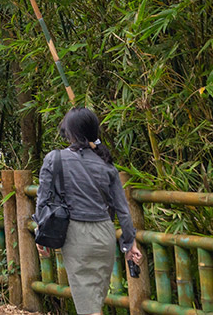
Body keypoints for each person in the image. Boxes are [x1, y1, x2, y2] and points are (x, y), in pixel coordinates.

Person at [35, 108, 143, 315]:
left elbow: (43, 200)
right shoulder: (106, 165)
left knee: (88, 308)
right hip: (105, 235)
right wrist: (130, 243)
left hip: (77, 237)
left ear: (69, 133)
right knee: (94, 303)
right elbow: (123, 209)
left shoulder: (54, 159)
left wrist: (41, 235)